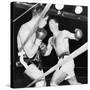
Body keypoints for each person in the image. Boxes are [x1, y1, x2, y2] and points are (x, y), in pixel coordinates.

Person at [44, 19, 82, 86]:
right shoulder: (50, 39)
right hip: (60, 61)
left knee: (53, 83)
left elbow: (75, 37)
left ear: (57, 24)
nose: (50, 25)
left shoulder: (63, 33)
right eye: (49, 24)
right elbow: (47, 53)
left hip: (66, 60)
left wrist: (78, 33)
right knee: (75, 84)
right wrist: (42, 48)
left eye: (52, 23)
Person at [17, 7, 49, 87]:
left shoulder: (36, 30)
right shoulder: (25, 29)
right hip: (25, 60)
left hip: (36, 61)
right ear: (39, 17)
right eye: (45, 20)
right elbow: (30, 54)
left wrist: (42, 47)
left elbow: (35, 49)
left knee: (43, 84)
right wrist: (38, 41)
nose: (46, 23)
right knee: (41, 81)